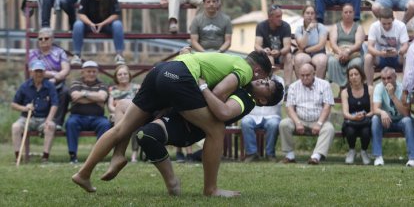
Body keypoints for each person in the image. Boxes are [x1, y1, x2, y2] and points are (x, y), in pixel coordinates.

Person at [71, 50, 272, 197]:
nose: (261, 81)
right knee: (216, 129)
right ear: (257, 70)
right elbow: (219, 92)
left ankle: (85, 172)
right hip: (178, 76)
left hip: (160, 70)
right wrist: (200, 93)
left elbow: (199, 60)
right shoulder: (246, 69)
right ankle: (211, 189)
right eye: (264, 78)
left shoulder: (228, 58)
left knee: (122, 127)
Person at [98, 76, 283, 195]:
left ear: (263, 100)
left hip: (188, 126)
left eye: (267, 85)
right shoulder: (239, 80)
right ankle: (118, 155)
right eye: (265, 79)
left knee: (147, 136)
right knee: (122, 105)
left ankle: (172, 182)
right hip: (176, 109)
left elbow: (224, 112)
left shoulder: (246, 100)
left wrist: (203, 87)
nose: (262, 81)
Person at [279, 63, 335, 165]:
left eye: (308, 75)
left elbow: (327, 106)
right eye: (302, 75)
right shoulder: (293, 86)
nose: (305, 78)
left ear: (314, 73)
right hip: (299, 120)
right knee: (284, 124)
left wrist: (319, 123)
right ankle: (290, 155)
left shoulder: (324, 85)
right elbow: (290, 107)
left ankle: (315, 157)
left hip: (318, 120)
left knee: (329, 128)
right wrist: (297, 123)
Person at [71, 0, 125, 66]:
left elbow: (116, 14)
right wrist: (90, 23)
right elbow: (81, 14)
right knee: (78, 24)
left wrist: (102, 24)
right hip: (90, 25)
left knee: (118, 24)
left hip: (106, 25)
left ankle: (119, 55)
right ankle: (77, 55)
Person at [11, 60, 58, 163]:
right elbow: (13, 104)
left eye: (41, 71)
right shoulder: (24, 86)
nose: (38, 74)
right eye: (36, 71)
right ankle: (18, 157)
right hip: (26, 118)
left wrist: (49, 120)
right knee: (15, 127)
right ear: (31, 72)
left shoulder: (50, 86)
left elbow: (54, 104)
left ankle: (45, 157)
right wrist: (25, 108)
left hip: (44, 118)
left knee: (51, 126)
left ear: (44, 72)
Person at [66, 60, 111, 163]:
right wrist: (95, 98)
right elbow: (74, 96)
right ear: (83, 72)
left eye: (94, 71)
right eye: (89, 71)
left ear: (97, 72)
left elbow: (102, 97)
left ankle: (99, 155)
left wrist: (83, 94)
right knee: (70, 123)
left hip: (98, 118)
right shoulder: (76, 82)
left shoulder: (102, 84)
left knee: (106, 124)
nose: (91, 74)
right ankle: (73, 155)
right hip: (78, 117)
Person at [371, 67, 414, 167]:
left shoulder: (404, 88)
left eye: (389, 78)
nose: (386, 81)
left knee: (408, 120)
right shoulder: (379, 87)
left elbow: (406, 113)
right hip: (386, 121)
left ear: (395, 77)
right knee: (375, 119)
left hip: (401, 120)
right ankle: (378, 157)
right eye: (383, 78)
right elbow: (375, 109)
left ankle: (412, 158)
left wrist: (393, 96)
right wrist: (382, 112)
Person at [29, 27, 70, 130]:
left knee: (65, 92)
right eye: (40, 39)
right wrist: (54, 74)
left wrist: (57, 78)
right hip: (39, 82)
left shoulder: (60, 52)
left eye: (46, 38)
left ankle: (58, 122)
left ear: (52, 39)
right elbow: (33, 70)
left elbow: (66, 69)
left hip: (57, 82)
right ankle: (37, 121)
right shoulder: (34, 53)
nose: (43, 41)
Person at [241, 75, 284, 162]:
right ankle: (251, 153)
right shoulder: (256, 79)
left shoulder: (279, 80)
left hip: (272, 115)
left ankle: (270, 154)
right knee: (245, 122)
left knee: (273, 124)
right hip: (253, 115)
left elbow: (279, 99)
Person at [364, 7, 409, 85]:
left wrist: (398, 52)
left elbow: (405, 45)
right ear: (379, 20)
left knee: (407, 56)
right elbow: (370, 47)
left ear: (393, 19)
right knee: (368, 57)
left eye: (389, 23)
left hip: (397, 57)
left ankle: (406, 86)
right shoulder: (374, 26)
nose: (387, 26)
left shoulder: (401, 26)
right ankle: (369, 86)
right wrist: (380, 53)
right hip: (380, 57)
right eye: (384, 24)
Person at [341, 65, 374, 165]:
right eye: (351, 75)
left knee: (365, 131)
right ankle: (351, 151)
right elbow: (345, 113)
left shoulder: (370, 89)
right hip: (351, 120)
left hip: (366, 119)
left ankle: (364, 151)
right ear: (348, 78)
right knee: (350, 130)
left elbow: (373, 110)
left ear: (361, 76)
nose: (354, 77)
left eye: (356, 74)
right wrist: (354, 117)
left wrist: (364, 115)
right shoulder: (345, 92)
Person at [108, 65, 141, 162]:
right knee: (117, 123)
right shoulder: (112, 89)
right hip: (116, 115)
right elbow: (110, 106)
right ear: (116, 77)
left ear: (129, 75)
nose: (123, 76)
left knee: (135, 125)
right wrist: (118, 112)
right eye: (120, 74)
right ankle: (118, 154)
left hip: (133, 115)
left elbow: (139, 104)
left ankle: (134, 155)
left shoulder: (136, 88)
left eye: (125, 74)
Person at [327, 4, 365, 87]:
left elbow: (358, 44)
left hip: (354, 54)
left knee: (357, 62)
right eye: (346, 12)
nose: (348, 14)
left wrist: (348, 52)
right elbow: (332, 43)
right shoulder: (335, 27)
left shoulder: (358, 27)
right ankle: (338, 87)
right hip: (338, 53)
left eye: (350, 12)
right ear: (342, 14)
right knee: (331, 61)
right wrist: (341, 53)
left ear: (354, 13)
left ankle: (351, 86)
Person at [255, 5, 293, 86]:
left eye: (281, 16)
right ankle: (268, 85)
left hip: (281, 55)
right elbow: (257, 45)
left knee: (289, 56)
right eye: (277, 16)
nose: (280, 19)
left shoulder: (286, 26)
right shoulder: (261, 26)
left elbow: (287, 46)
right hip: (268, 55)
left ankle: (287, 87)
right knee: (270, 59)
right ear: (270, 17)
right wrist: (263, 50)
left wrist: (279, 52)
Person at [294, 5, 328, 79]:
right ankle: (300, 86)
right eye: (307, 13)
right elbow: (302, 45)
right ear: (303, 15)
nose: (310, 15)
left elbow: (321, 45)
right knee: (298, 59)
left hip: (318, 52)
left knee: (322, 61)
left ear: (315, 15)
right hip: (304, 54)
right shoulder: (299, 29)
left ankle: (318, 87)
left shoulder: (320, 27)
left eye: (312, 13)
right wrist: (308, 30)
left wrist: (306, 50)